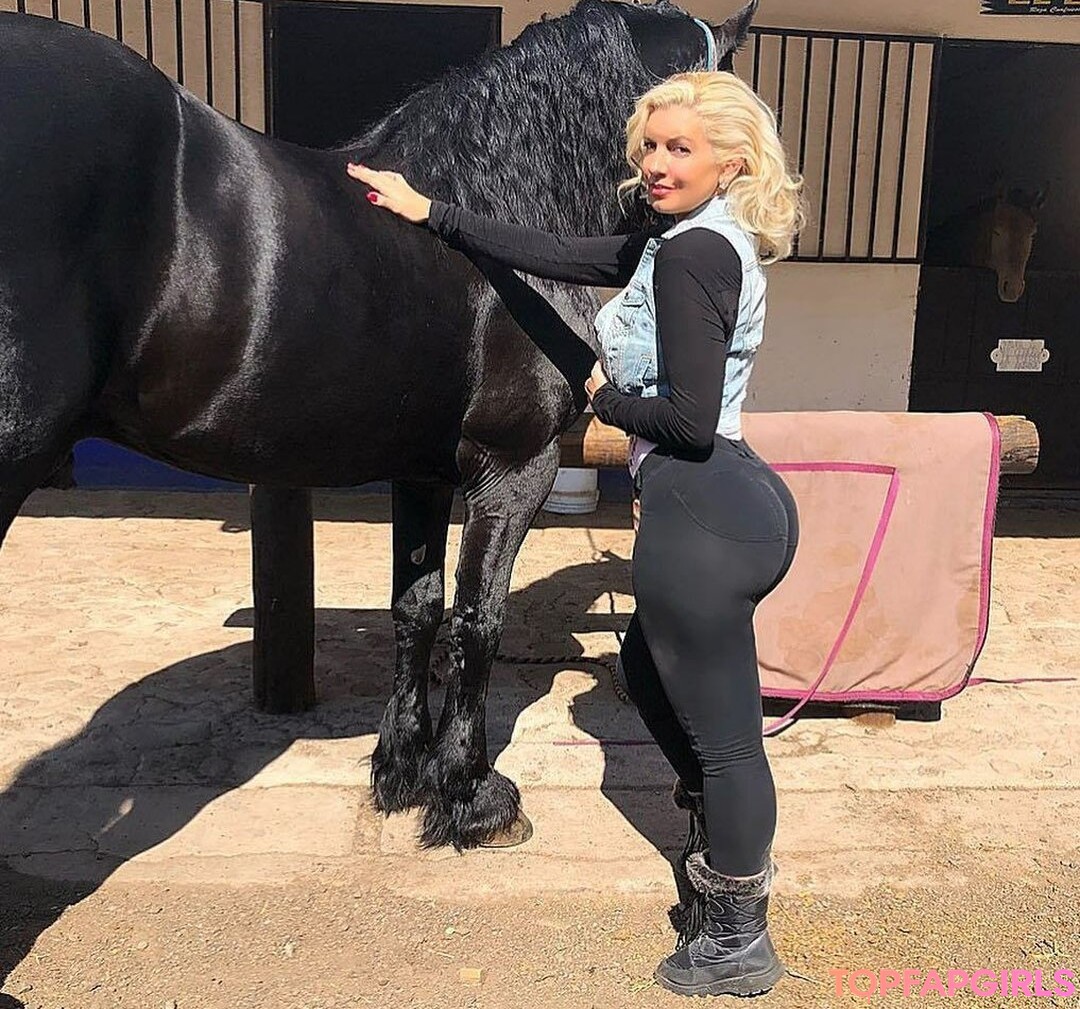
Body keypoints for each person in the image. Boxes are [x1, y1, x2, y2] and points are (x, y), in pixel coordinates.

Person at [348, 70, 804, 999]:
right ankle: (715, 840)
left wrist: (602, 395)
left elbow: (689, 421)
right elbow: (556, 251)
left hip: (703, 501)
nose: (657, 163)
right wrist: (432, 212)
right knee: (648, 673)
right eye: (650, 145)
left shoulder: (693, 254)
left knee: (726, 743)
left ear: (732, 161)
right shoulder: (674, 238)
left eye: (681, 148)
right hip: (717, 498)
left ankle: (736, 936)